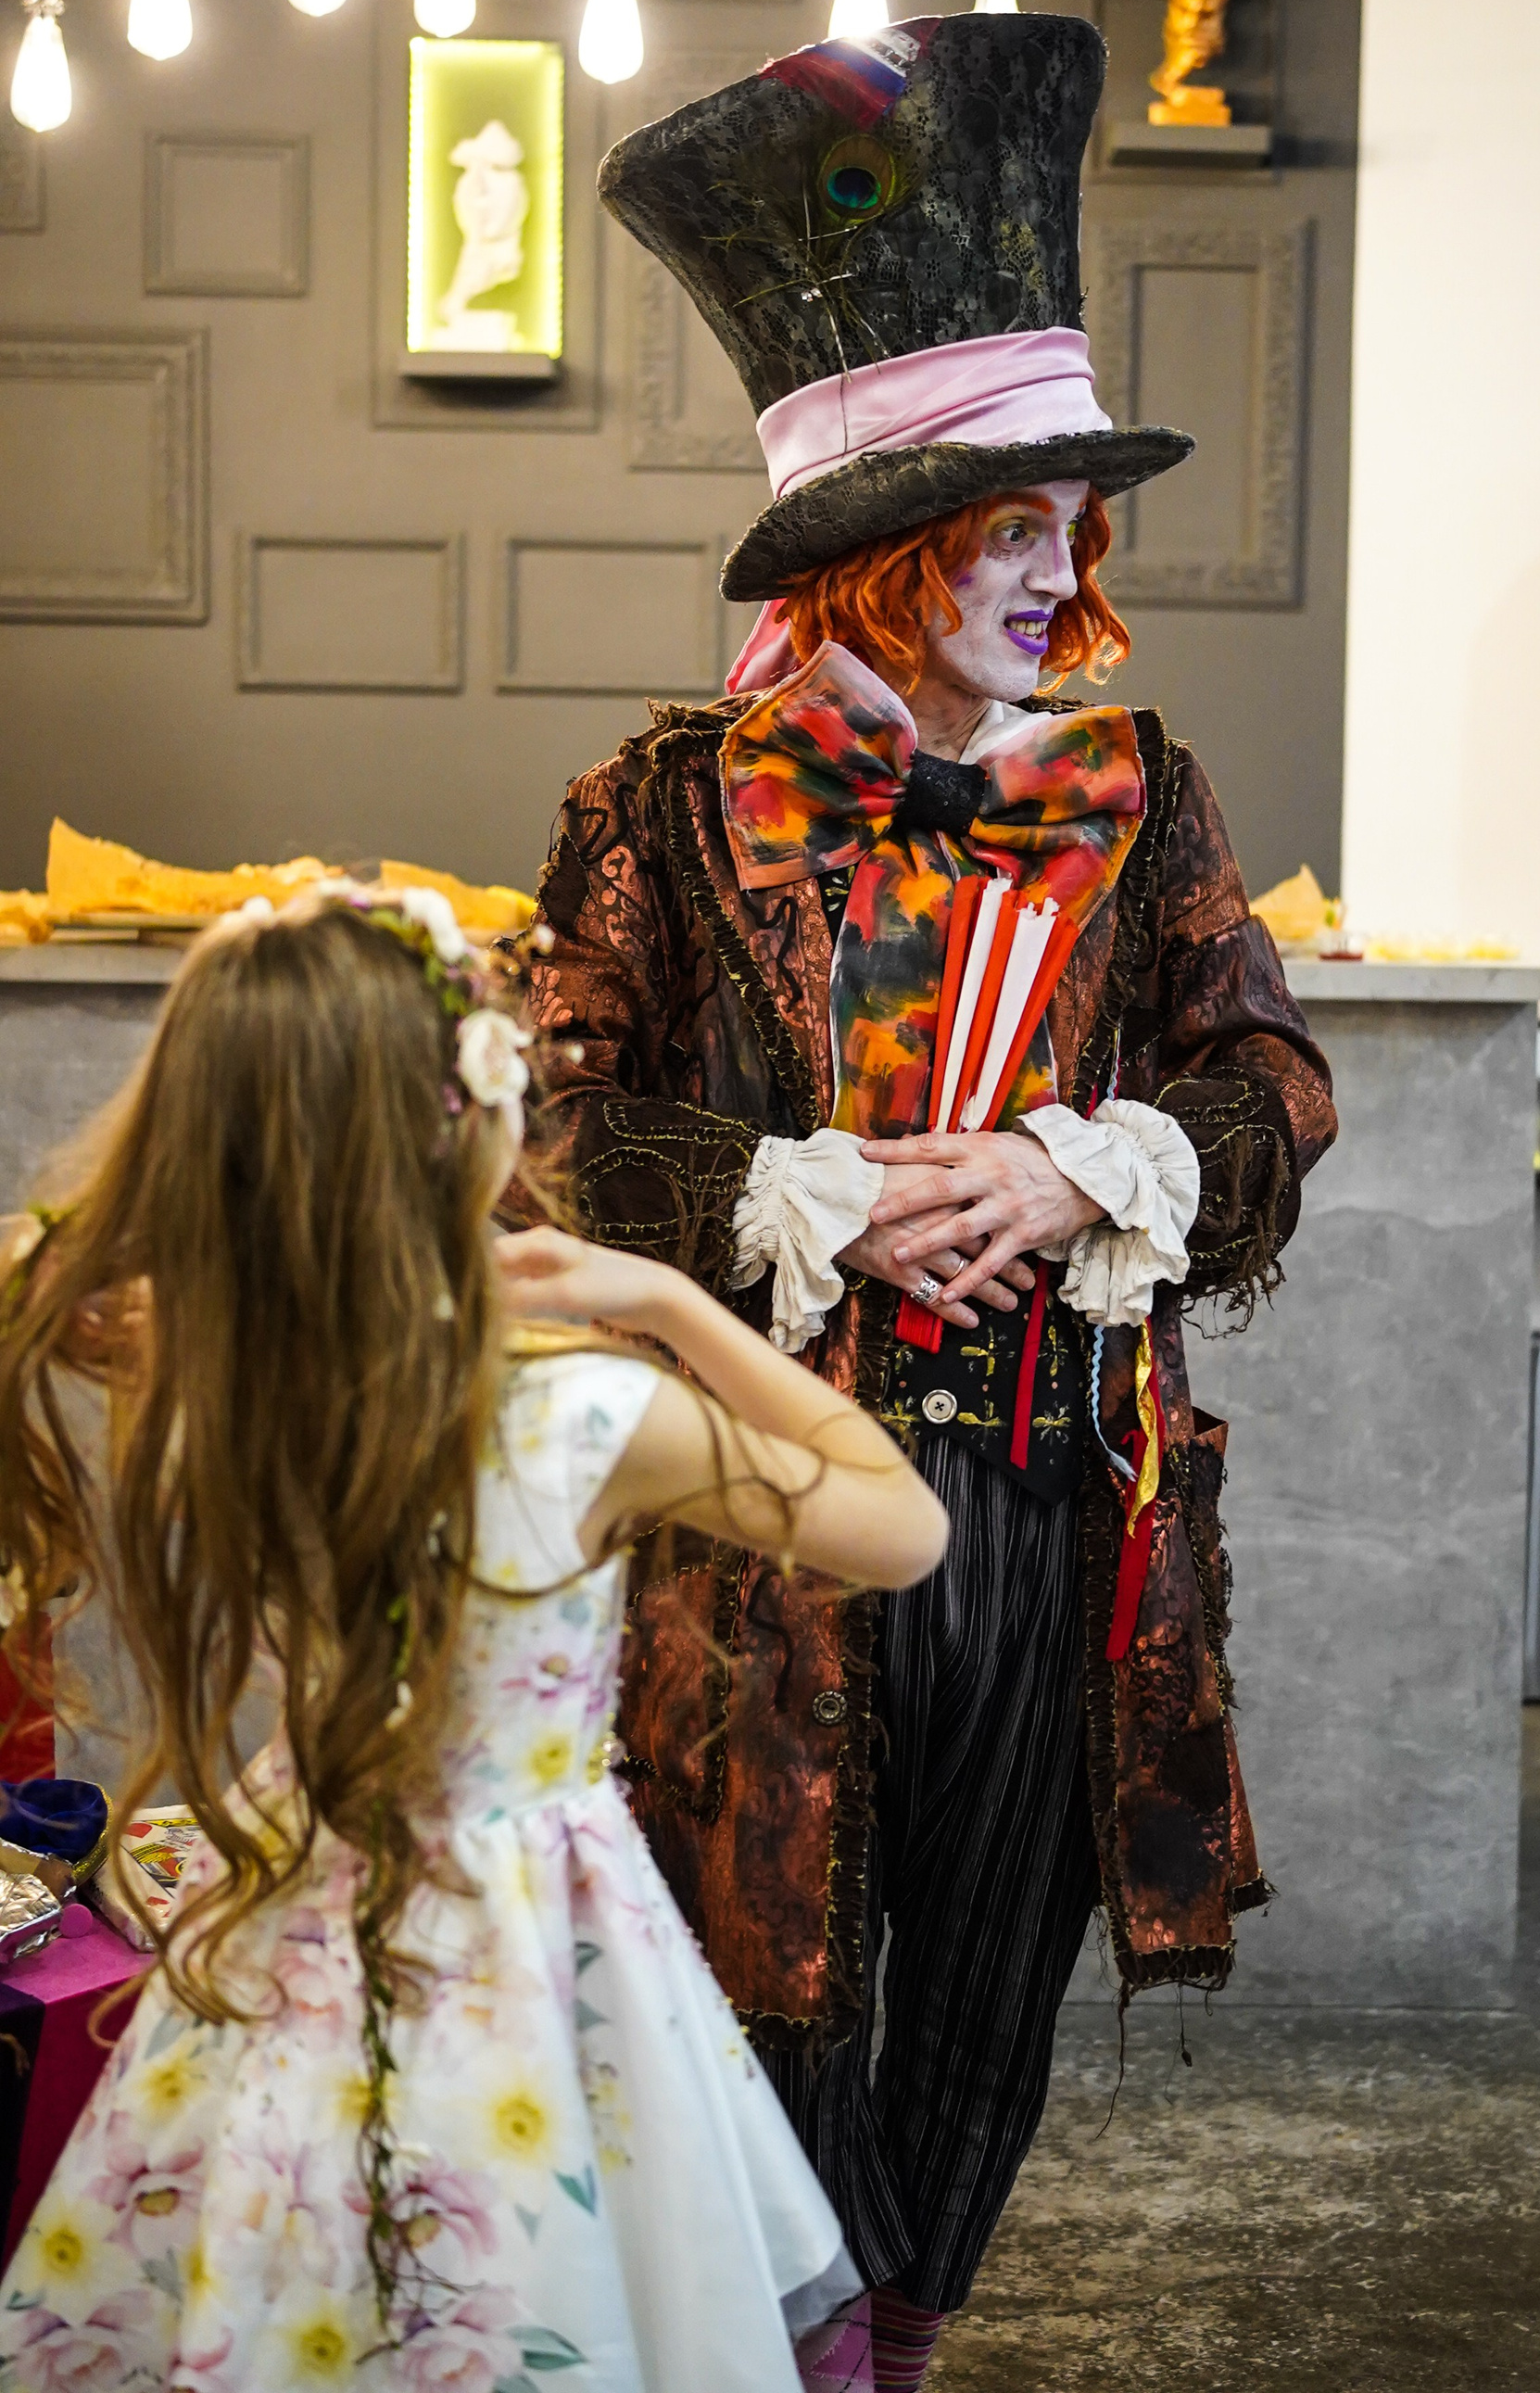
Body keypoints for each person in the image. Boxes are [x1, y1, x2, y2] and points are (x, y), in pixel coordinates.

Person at [528, 13, 1339, 2388]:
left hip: (1058, 1487)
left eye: (1072, 521)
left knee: (991, 1975)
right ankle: (805, 2341)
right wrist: (820, 1195)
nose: (1056, 567)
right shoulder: (662, 806)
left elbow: (1269, 1083)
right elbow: (556, 1129)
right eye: (1009, 522)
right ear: (880, 558)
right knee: (768, 1958)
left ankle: (895, 2340)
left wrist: (1080, 1166)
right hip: (754, 1487)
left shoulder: (1142, 794)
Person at [0, 885, 947, 2393]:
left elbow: (41, 1261)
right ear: (479, 1125)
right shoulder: (585, 1413)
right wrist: (669, 1303)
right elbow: (900, 1524)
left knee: (302, 2254)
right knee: (509, 2271)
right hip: (525, 1943)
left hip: (302, 1901)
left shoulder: (216, 1365)